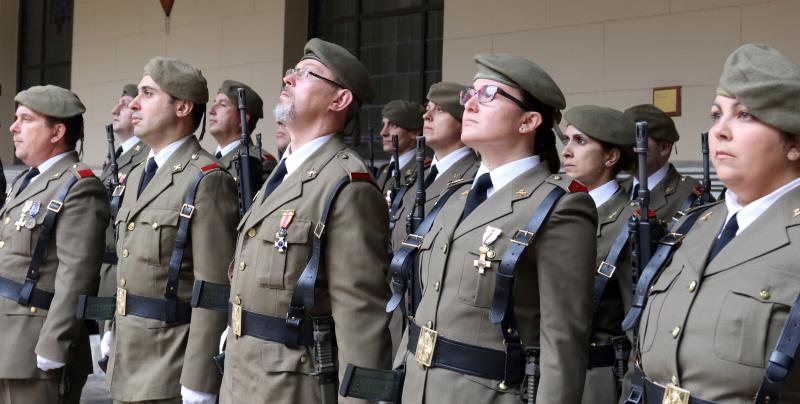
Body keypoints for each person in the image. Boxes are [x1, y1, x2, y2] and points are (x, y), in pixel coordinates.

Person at [393, 53, 597, 403]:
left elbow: (561, 342)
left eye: (488, 94)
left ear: (528, 121)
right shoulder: (454, 195)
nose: (470, 104)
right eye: (470, 94)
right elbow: (422, 311)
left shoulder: (558, 206)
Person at [623, 43, 800, 403]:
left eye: (745, 115)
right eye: (717, 115)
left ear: (794, 143)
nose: (720, 130)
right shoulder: (691, 226)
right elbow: (638, 368)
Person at [219, 38, 392, 404]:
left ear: (339, 100)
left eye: (306, 73)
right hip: (241, 377)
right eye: (292, 71)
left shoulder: (347, 185)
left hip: (294, 388)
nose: (289, 78)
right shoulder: (283, 174)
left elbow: (361, 319)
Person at [105, 57, 239, 403]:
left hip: (170, 367)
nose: (134, 104)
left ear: (182, 107)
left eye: (148, 94)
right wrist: (109, 327)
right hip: (126, 358)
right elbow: (126, 265)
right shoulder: (137, 175)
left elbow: (213, 287)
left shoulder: (207, 180)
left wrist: (200, 378)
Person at [0, 85, 109, 403]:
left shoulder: (79, 187)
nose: (14, 127)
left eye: (26, 119)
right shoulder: (27, 180)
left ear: (57, 132)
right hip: (7, 344)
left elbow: (77, 274)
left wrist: (54, 345)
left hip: (34, 354)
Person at [560, 105, 636, 404]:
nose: (567, 151)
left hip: (594, 379)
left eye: (580, 141)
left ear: (611, 157)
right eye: (566, 140)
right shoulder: (557, 209)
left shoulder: (630, 223)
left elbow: (638, 323)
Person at [97, 84, 149, 334]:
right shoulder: (116, 156)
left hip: (122, 269)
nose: (115, 110)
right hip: (104, 269)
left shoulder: (145, 157)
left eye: (125, 104)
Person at [622, 104, 704, 225]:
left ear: (664, 148)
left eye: (636, 141)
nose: (625, 148)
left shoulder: (690, 196)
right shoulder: (619, 188)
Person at [208, 80, 277, 181]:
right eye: (214, 102)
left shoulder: (259, 163)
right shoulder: (206, 160)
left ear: (243, 118)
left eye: (222, 105)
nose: (211, 111)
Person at [375, 99, 426, 196]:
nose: (383, 133)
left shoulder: (423, 170)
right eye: (383, 124)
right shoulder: (384, 170)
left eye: (393, 125)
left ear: (415, 132)